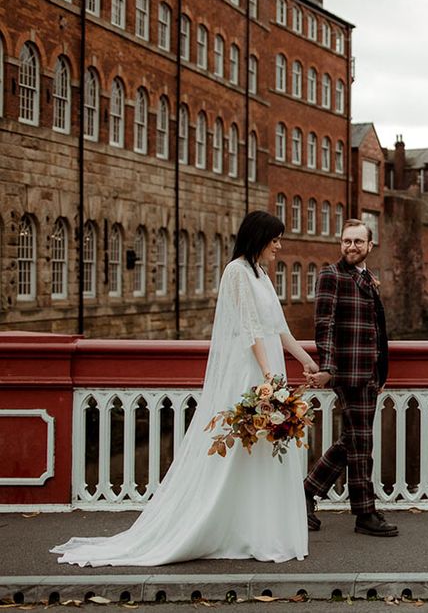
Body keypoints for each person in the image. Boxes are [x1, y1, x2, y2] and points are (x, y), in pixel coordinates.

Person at [52, 211, 319, 566]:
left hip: (270, 370)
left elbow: (279, 329)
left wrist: (305, 360)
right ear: (259, 239)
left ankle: (264, 530)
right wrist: (269, 377)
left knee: (266, 453)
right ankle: (232, 529)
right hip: (251, 374)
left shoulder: (263, 275)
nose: (279, 247)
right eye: (275, 241)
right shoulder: (237, 272)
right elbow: (251, 330)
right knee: (242, 449)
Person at [303, 219, 398, 537]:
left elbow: (377, 330)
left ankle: (306, 492)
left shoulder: (368, 278)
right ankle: (364, 513)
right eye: (347, 241)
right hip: (348, 371)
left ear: (370, 246)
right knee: (361, 443)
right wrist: (327, 368)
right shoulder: (332, 275)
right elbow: (324, 325)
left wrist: (381, 372)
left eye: (358, 241)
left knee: (353, 440)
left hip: (369, 372)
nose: (352, 247)